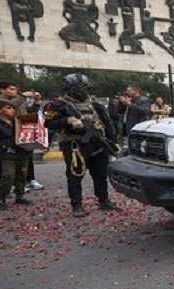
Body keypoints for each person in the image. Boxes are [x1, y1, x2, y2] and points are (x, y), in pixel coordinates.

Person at [43, 73, 119, 217]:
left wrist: (113, 141)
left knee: (100, 174)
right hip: (74, 145)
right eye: (76, 87)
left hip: (98, 142)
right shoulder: (58, 105)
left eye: (83, 86)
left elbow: (107, 123)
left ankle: (104, 200)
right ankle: (76, 205)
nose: (80, 89)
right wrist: (67, 121)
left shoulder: (95, 103)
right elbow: (48, 123)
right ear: (68, 88)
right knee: (75, 174)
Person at [0, 80, 44, 191]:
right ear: (2, 90)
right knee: (10, 159)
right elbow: (12, 105)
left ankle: (28, 180)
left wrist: (37, 102)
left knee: (27, 156)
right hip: (7, 131)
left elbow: (29, 111)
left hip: (23, 129)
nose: (15, 91)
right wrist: (23, 95)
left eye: (16, 89)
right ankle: (9, 184)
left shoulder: (17, 100)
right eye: (12, 89)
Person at [0, 100, 33, 210]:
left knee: (22, 174)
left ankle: (20, 196)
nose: (12, 110)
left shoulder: (17, 122)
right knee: (8, 175)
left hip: (22, 150)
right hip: (6, 152)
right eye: (8, 108)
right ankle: (2, 197)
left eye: (13, 108)